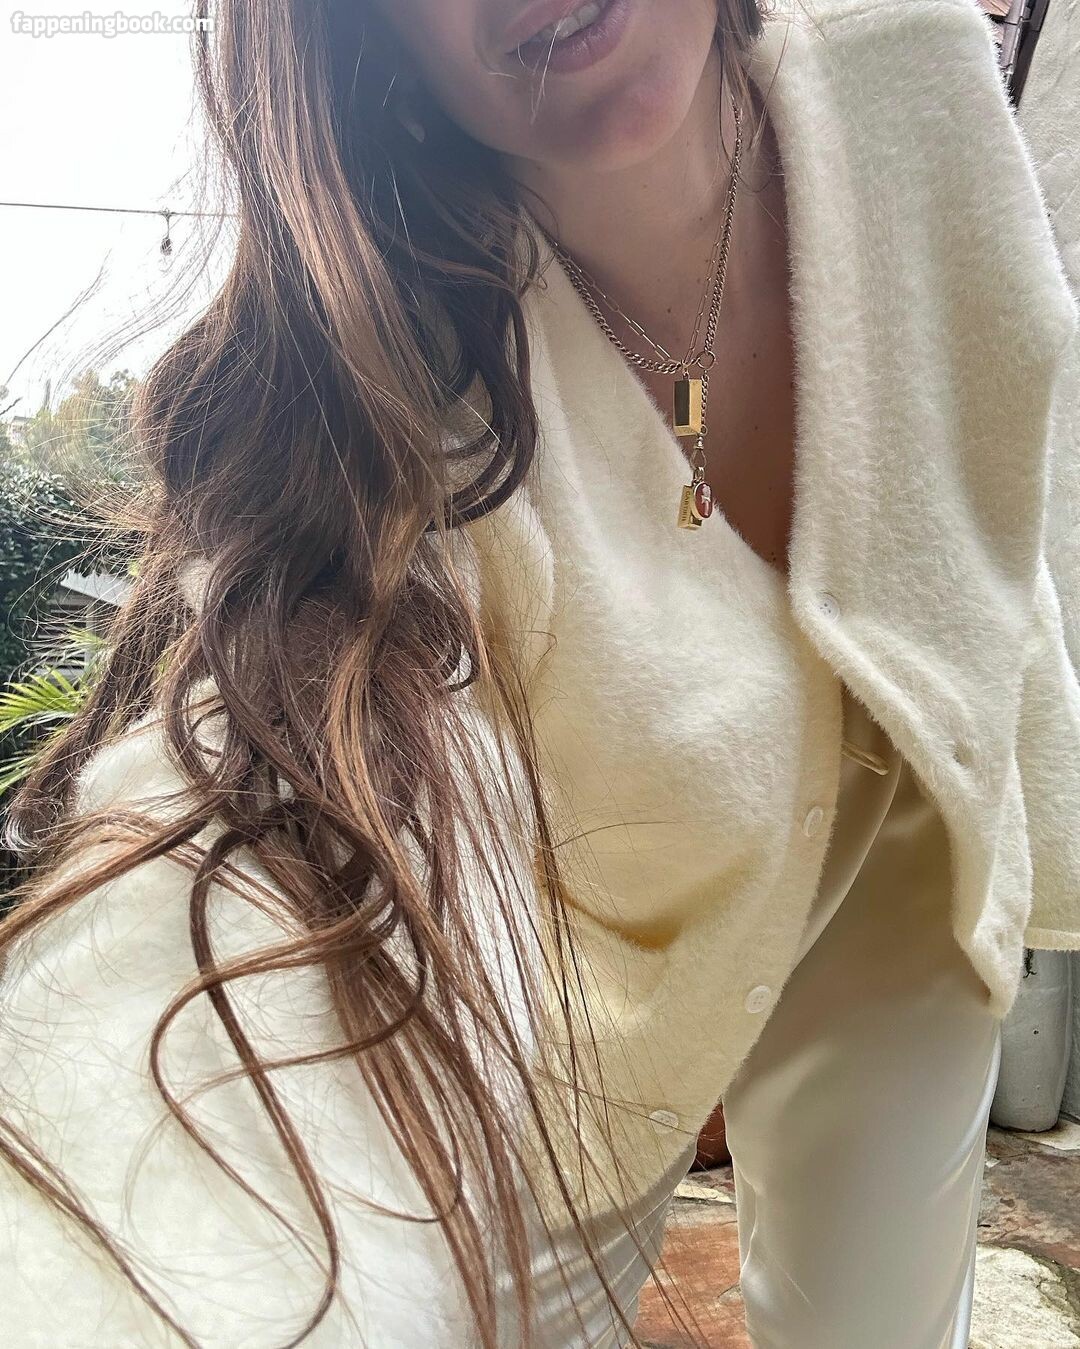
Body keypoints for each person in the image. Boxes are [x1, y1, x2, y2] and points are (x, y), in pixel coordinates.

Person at [2, 0, 1078, 1345]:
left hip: (910, 825)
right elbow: (268, 780)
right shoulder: (388, 381)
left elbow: (1002, 440)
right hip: (595, 1007)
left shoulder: (910, 79)